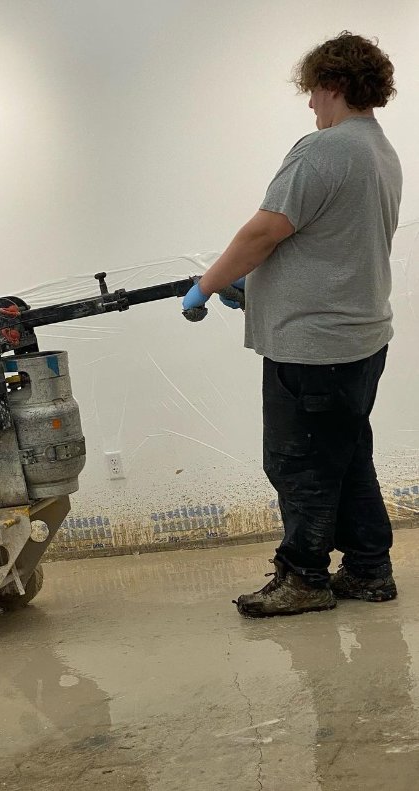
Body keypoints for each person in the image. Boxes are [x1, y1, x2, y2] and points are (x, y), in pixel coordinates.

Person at [182, 31, 402, 617]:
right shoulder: (380, 150)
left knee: (298, 464)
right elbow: (327, 245)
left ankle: (304, 577)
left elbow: (264, 232)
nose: (309, 103)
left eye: (312, 90)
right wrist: (256, 288)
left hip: (314, 347)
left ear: (332, 85)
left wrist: (207, 284)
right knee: (347, 456)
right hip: (358, 338)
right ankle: (369, 568)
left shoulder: (323, 150)